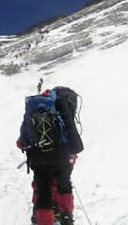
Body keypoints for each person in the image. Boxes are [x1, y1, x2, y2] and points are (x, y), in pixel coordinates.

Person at [17, 87, 83, 225]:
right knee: (64, 183)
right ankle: (66, 216)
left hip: (39, 159)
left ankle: (43, 219)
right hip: (62, 156)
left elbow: (22, 141)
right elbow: (72, 136)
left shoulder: (34, 109)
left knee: (43, 192)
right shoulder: (62, 108)